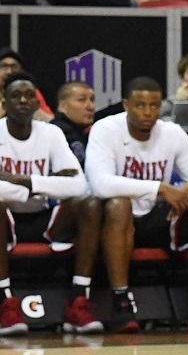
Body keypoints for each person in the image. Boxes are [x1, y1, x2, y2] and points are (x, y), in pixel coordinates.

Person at [85, 76, 188, 333]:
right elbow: (100, 184)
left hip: (159, 219)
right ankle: (121, 301)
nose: (147, 112)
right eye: (140, 105)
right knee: (118, 204)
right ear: (126, 105)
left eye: (154, 105)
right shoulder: (105, 129)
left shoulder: (171, 132)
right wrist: (160, 189)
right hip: (115, 223)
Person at [0, 71, 101, 337]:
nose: (23, 100)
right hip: (6, 219)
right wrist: (48, 182)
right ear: (4, 103)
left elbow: (78, 184)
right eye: (15, 96)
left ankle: (78, 300)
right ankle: (5, 303)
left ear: (36, 103)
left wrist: (22, 181)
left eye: (29, 96)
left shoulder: (52, 133)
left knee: (89, 203)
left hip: (47, 218)